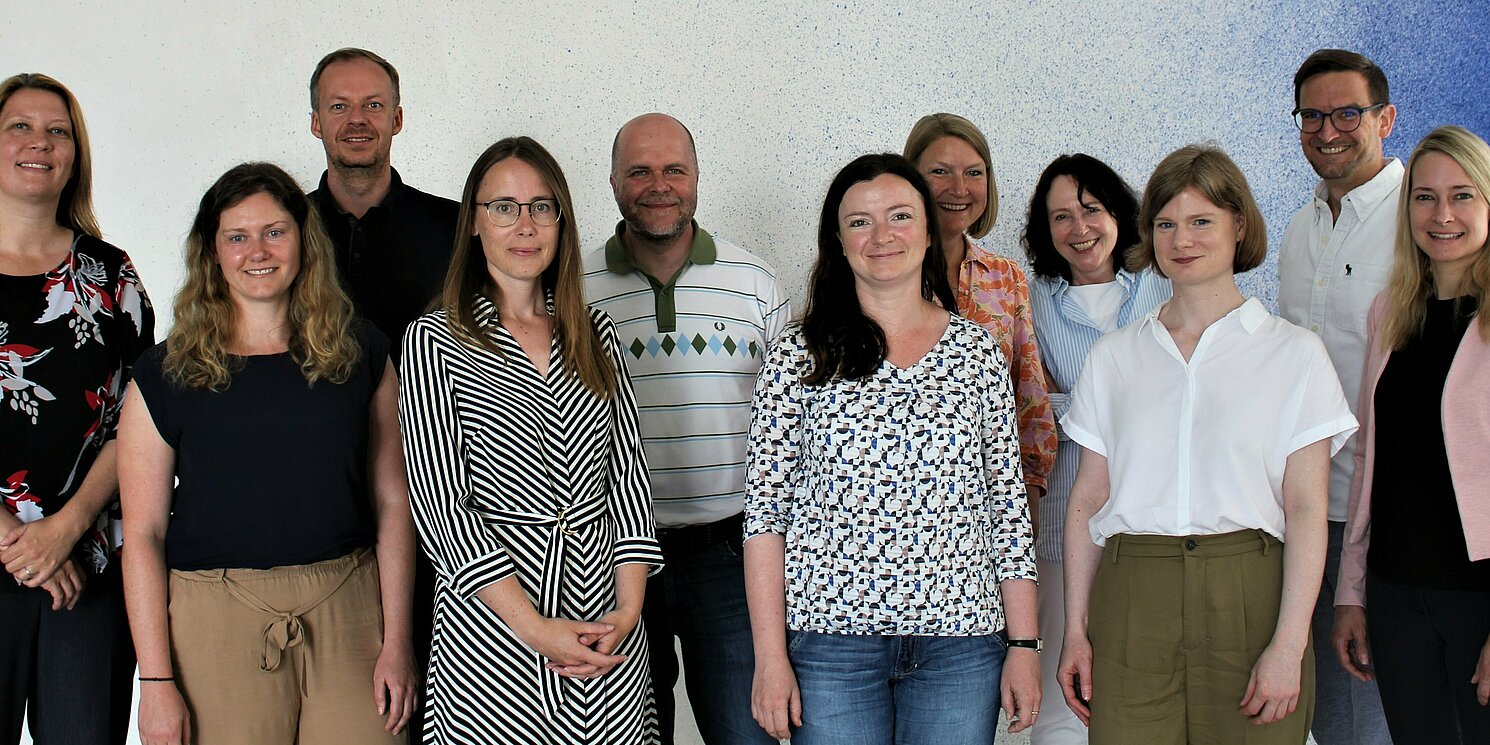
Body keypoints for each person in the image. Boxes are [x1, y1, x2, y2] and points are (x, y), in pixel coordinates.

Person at [1058, 144, 1357, 744]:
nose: (1181, 240)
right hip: (1133, 592)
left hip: (1248, 592)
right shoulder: (1115, 356)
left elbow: (1304, 509)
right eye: (1166, 224)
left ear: (1239, 226)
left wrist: (1289, 643)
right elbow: (1088, 501)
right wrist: (1074, 631)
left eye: (1202, 222)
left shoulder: (1294, 354)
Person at [745, 153, 1040, 744]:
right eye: (860, 222)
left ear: (929, 232)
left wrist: (1024, 646)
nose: (882, 236)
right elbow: (764, 518)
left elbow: (1007, 510)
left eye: (900, 216)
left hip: (961, 644)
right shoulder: (799, 356)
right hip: (831, 646)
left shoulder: (975, 354)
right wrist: (770, 659)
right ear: (839, 240)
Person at [117, 162, 417, 745]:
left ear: (304, 241)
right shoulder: (165, 371)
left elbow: (393, 501)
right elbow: (145, 532)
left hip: (350, 609)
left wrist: (398, 642)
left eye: (275, 231)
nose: (258, 250)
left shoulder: (362, 352)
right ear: (212, 252)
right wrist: (155, 679)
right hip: (214, 619)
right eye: (237, 236)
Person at [398, 136, 663, 744]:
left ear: (561, 222)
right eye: (504, 206)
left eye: (542, 206)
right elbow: (443, 509)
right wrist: (535, 628)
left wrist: (626, 612)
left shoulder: (591, 329)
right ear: (473, 223)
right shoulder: (434, 337)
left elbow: (629, 479)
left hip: (605, 618)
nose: (525, 224)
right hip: (494, 629)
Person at [584, 112, 788, 745]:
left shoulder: (756, 284)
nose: (658, 184)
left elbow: (795, 434)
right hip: (605, 560)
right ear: (613, 181)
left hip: (730, 555)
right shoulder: (572, 289)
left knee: (744, 734)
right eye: (639, 170)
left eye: (675, 169)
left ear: (698, 177)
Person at [306, 49, 458, 740]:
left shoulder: (458, 230)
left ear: (398, 118)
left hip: (445, 510)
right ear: (315, 122)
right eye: (339, 105)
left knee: (438, 710)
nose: (357, 119)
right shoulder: (280, 234)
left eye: (372, 104)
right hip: (318, 513)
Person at [0, 72, 154, 745]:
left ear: (75, 152)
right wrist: (18, 541)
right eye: (20, 127)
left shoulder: (111, 274)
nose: (41, 143)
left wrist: (66, 528)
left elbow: (140, 421)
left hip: (84, 569)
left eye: (57, 131)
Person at [1331, 125, 1490, 743]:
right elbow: (1371, 457)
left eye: (1462, 195)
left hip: (1479, 599)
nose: (1441, 214)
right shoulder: (1389, 314)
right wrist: (1352, 592)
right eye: (1423, 197)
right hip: (1396, 597)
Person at [1022, 153, 1170, 745]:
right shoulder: (1029, 301)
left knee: (1150, 687)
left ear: (1119, 214)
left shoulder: (1164, 284)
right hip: (1062, 521)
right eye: (1061, 216)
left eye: (1091, 209)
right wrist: (1076, 408)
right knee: (1066, 687)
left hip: (1154, 525)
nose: (1079, 228)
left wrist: (1069, 403)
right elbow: (1016, 407)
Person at [1277, 49, 1398, 745]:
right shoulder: (1299, 230)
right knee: (1328, 716)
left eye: (1347, 113)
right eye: (1312, 115)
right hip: (1305, 512)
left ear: (1385, 117)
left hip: (1385, 522)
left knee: (1372, 719)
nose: (1328, 130)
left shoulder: (1423, 223)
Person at [904, 113, 1055, 523]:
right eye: (940, 172)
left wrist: (1032, 484)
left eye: (974, 173)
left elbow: (1028, 390)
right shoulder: (882, 274)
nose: (959, 189)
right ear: (910, 179)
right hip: (898, 497)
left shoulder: (1006, 278)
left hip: (995, 497)